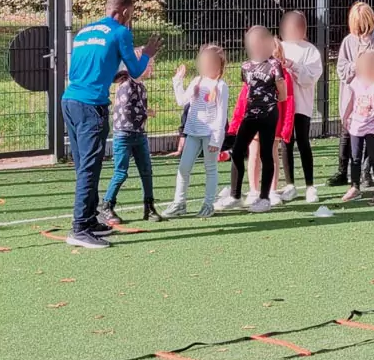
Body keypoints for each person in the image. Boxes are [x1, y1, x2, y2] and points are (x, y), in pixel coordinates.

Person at [62, 0, 162, 249]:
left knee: (83, 164)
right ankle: (80, 227)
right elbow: (137, 71)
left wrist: (110, 75)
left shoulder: (84, 32)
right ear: (124, 12)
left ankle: (91, 219)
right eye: (131, 13)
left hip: (69, 101)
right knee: (89, 167)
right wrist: (148, 53)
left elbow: (76, 70)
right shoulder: (120, 32)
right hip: (91, 106)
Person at [215, 26, 286, 213]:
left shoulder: (274, 65)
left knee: (266, 154)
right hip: (250, 114)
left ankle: (264, 198)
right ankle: (235, 195)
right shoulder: (245, 66)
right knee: (238, 150)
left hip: (269, 115)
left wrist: (271, 102)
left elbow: (282, 91)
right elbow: (247, 89)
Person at [328, 2, 374, 189]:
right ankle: (343, 170)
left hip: (373, 99)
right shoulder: (349, 41)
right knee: (347, 132)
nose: (362, 29)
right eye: (358, 24)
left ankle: (366, 172)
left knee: (370, 135)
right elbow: (341, 67)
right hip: (353, 96)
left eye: (365, 24)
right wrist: (357, 67)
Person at [97, 48, 163, 225]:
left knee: (146, 170)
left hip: (139, 134)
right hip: (124, 135)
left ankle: (149, 206)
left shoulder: (141, 86)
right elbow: (126, 110)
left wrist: (143, 114)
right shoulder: (126, 85)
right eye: (149, 64)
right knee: (121, 172)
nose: (151, 67)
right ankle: (107, 205)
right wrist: (145, 112)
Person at [163, 45, 230, 219]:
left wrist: (217, 140)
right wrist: (178, 80)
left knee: (210, 169)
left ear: (218, 65)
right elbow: (181, 101)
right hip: (193, 132)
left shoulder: (221, 86)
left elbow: (221, 116)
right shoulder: (197, 81)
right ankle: (179, 203)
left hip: (210, 136)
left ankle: (208, 204)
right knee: (183, 168)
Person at [280, 11, 324, 203]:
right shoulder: (279, 47)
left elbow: (309, 78)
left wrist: (293, 66)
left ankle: (309, 185)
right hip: (283, 105)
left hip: (302, 105)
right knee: (285, 142)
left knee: (303, 141)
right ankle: (290, 184)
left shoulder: (310, 51)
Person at [340, 51, 374, 204]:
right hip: (356, 126)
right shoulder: (356, 82)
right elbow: (351, 101)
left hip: (373, 128)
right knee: (354, 158)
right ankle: (355, 187)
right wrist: (346, 117)